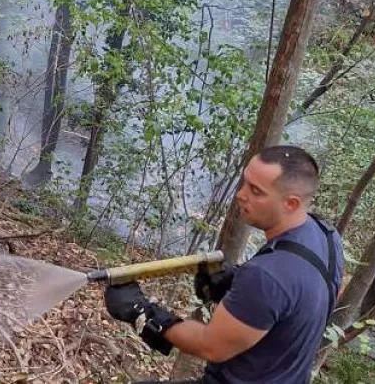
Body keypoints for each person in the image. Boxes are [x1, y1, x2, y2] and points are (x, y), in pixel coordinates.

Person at [101, 145, 345, 384]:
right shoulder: (325, 235)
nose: (241, 194)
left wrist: (141, 311)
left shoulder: (267, 276)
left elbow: (211, 346)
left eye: (256, 191)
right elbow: (301, 294)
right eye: (244, 182)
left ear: (290, 203)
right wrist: (235, 279)